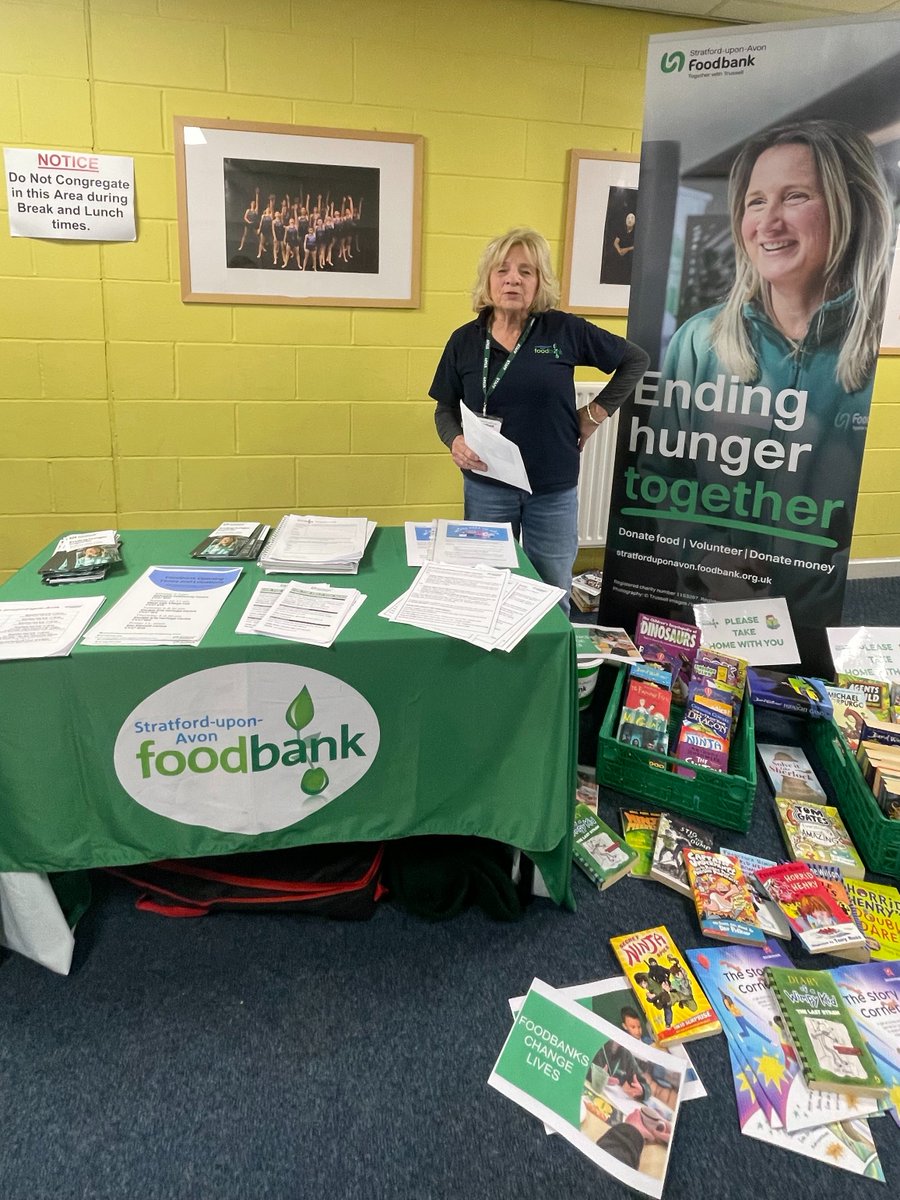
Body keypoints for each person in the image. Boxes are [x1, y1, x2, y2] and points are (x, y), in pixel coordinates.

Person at [638, 120, 894, 658]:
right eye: (756, 202)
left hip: (820, 631)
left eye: (795, 196)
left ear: (851, 206)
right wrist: (705, 559)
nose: (768, 222)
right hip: (710, 613)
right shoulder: (699, 343)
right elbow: (662, 476)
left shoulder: (880, 355)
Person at [430, 227, 648, 607]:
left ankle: (548, 663)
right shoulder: (464, 341)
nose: (513, 278)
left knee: (552, 589)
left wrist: (595, 413)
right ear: (488, 279)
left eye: (526, 271)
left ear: (539, 281)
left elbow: (635, 360)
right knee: (487, 587)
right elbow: (445, 408)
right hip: (486, 485)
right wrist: (455, 440)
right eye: (503, 270)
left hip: (552, 487)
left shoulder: (564, 330)